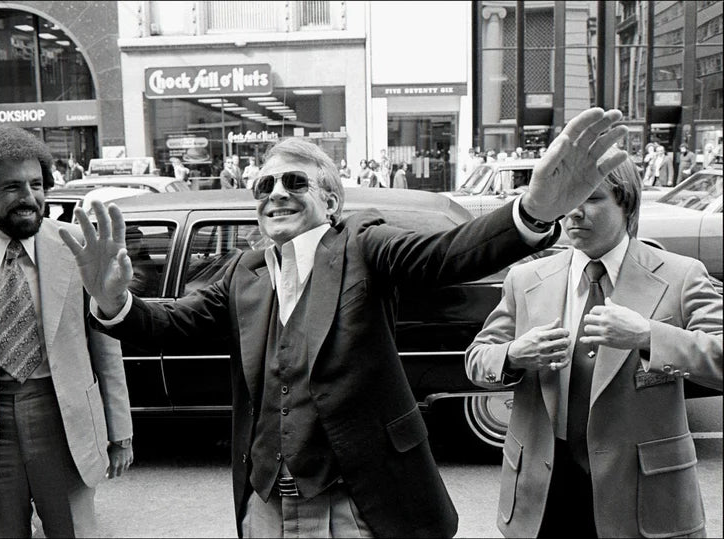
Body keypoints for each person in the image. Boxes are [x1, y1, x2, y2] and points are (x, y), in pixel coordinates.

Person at [60, 107, 629, 538]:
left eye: (294, 183)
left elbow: (449, 254)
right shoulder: (243, 270)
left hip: (354, 503)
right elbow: (172, 324)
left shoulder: (364, 245)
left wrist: (530, 211)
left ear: (331, 203)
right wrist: (116, 301)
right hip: (264, 504)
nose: (276, 193)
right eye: (265, 186)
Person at [465, 151, 722, 538]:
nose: (574, 213)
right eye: (566, 200)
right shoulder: (526, 279)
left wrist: (650, 336)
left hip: (643, 495)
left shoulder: (680, 276)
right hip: (543, 492)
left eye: (592, 198)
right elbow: (477, 359)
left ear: (627, 202)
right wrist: (513, 355)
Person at [0, 126, 134, 537]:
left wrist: (120, 431)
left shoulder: (76, 246)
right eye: (13, 187)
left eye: (37, 184)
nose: (29, 197)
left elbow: (105, 346)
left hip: (62, 418)